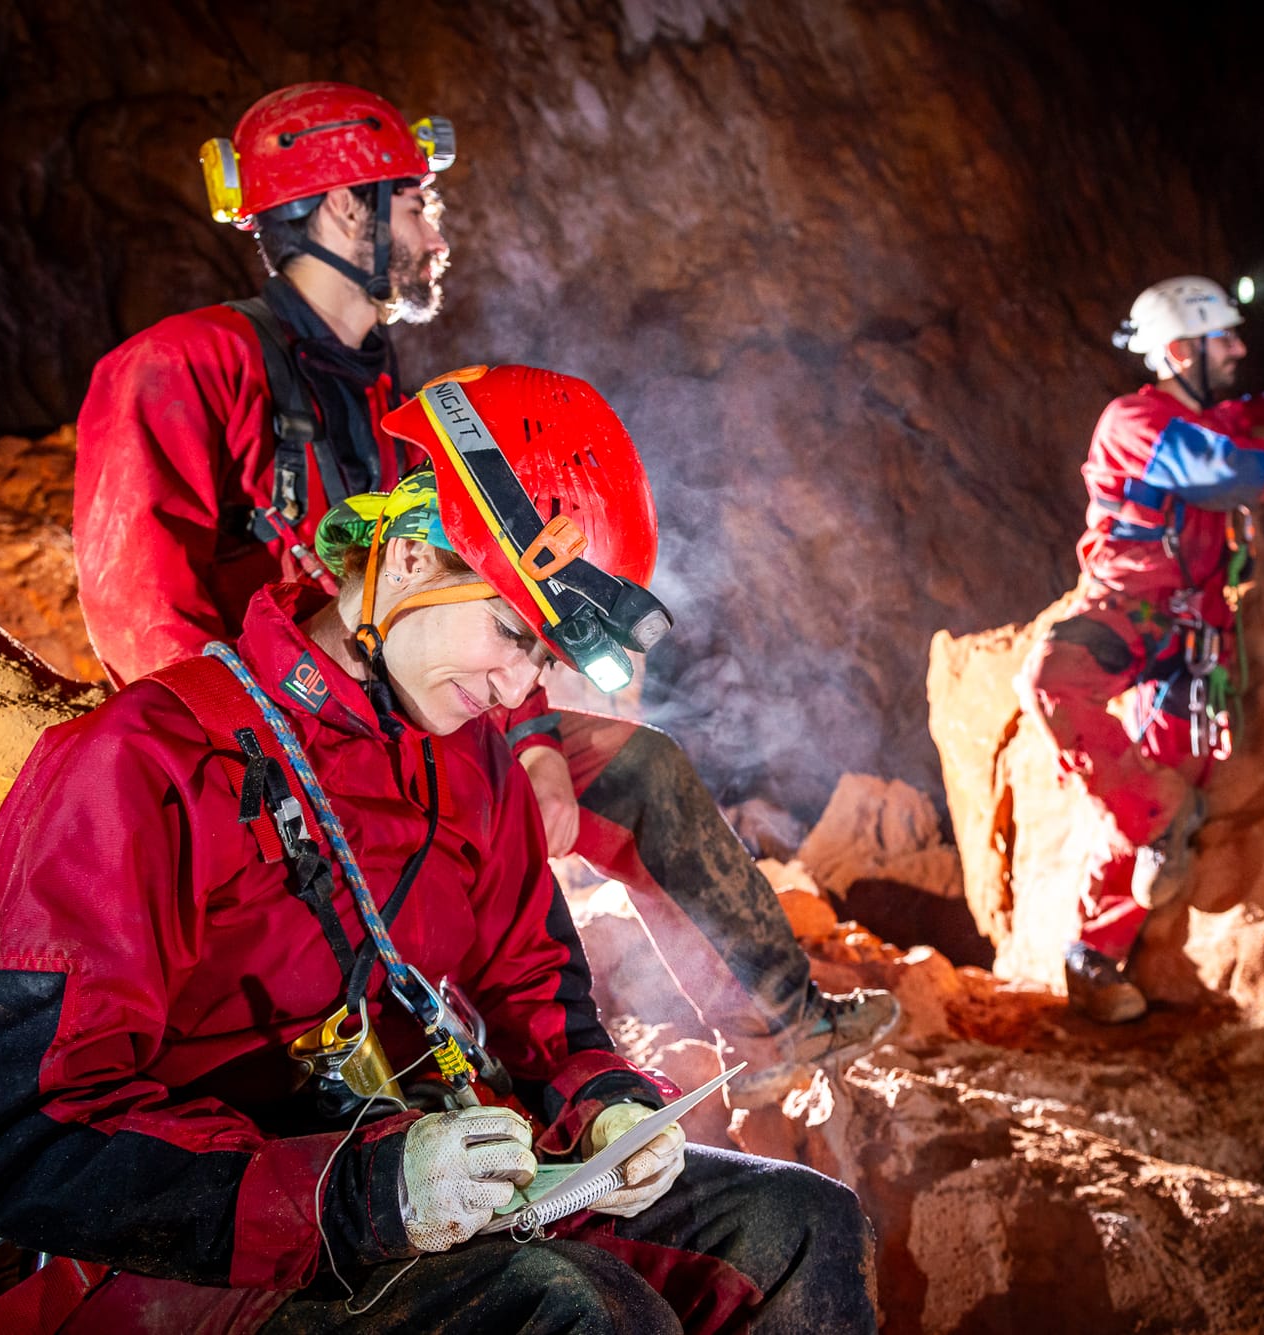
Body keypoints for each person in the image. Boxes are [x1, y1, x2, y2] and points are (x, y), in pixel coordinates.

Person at [0, 366, 878, 1334]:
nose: (520, 689)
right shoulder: (141, 767)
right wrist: (355, 1192)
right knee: (572, 1310)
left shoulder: (466, 760)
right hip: (215, 1241)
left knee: (797, 1223)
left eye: (543, 660)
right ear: (410, 561)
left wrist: (606, 1107)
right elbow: (19, 1140)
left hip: (414, 1176)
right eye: (512, 633)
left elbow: (537, 996)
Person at [72, 81, 896, 1103]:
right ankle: (512, 1105)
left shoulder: (394, 409)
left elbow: (479, 596)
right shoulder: (182, 367)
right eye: (416, 205)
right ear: (343, 210)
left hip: (412, 717)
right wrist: (270, 772)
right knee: (466, 852)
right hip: (280, 749)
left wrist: (535, 745)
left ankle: (779, 1030)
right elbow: (141, 610)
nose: (434, 233)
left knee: (637, 776)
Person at [1016, 276, 1264, 1023]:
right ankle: (1137, 851)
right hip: (1125, 614)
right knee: (1056, 687)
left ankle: (1096, 955)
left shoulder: (1210, 416)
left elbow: (1252, 417)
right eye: (1224, 340)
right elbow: (1236, 472)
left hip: (1191, 640)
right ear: (1178, 351)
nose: (1240, 348)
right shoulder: (1135, 422)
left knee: (1161, 772)